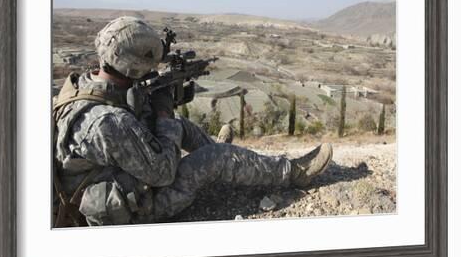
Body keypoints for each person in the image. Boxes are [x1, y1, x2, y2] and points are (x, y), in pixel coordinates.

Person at [52, 16, 332, 227]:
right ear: (133, 66)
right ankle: (294, 172)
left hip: (114, 178)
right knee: (213, 156)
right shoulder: (107, 122)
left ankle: (230, 162)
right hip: (132, 209)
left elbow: (129, 126)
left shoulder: (85, 86)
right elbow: (162, 173)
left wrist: (155, 107)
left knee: (183, 129)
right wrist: (163, 113)